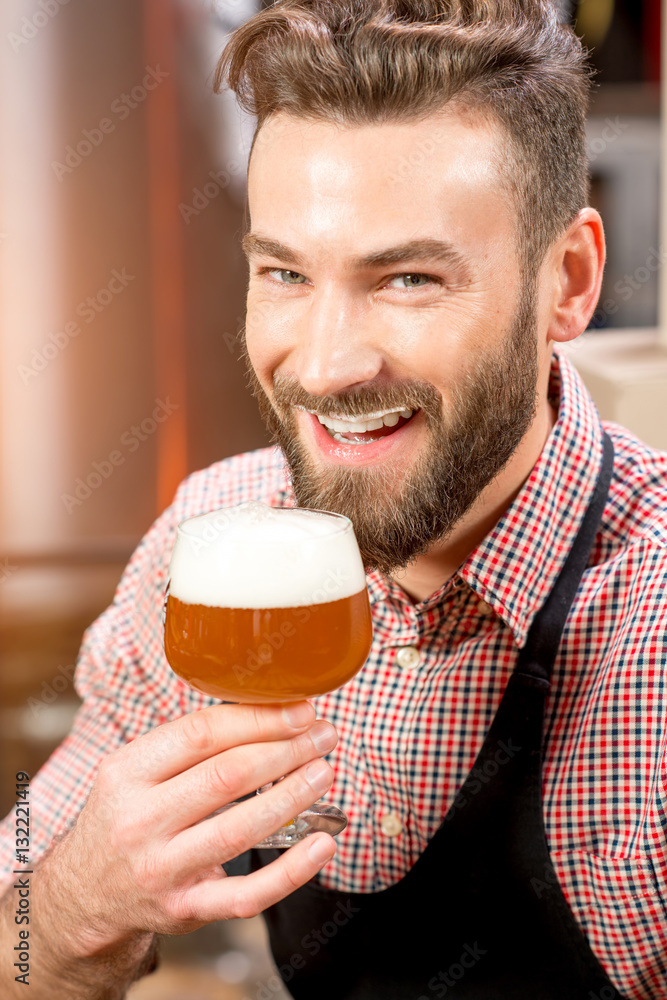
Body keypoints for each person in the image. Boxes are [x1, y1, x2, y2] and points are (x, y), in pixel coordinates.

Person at [2, 0, 667, 996]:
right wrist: (68, 906)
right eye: (284, 271)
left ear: (567, 281)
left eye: (405, 278)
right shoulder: (211, 542)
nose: (323, 364)